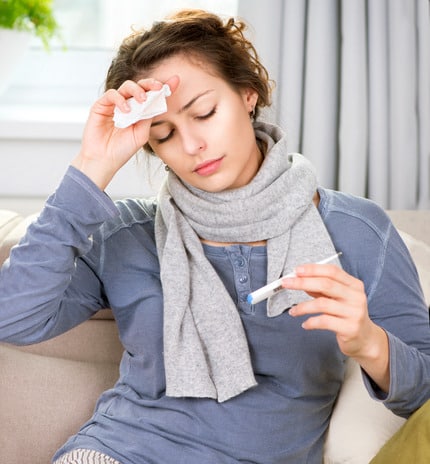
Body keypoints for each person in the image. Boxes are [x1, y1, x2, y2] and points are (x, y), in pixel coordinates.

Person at [0, 8, 429, 464]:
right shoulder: (127, 235)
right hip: (118, 452)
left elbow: (423, 393)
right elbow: (13, 318)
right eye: (164, 135)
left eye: (204, 113)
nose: (191, 146)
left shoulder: (354, 230)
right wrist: (93, 165)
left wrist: (368, 343)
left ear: (248, 93)